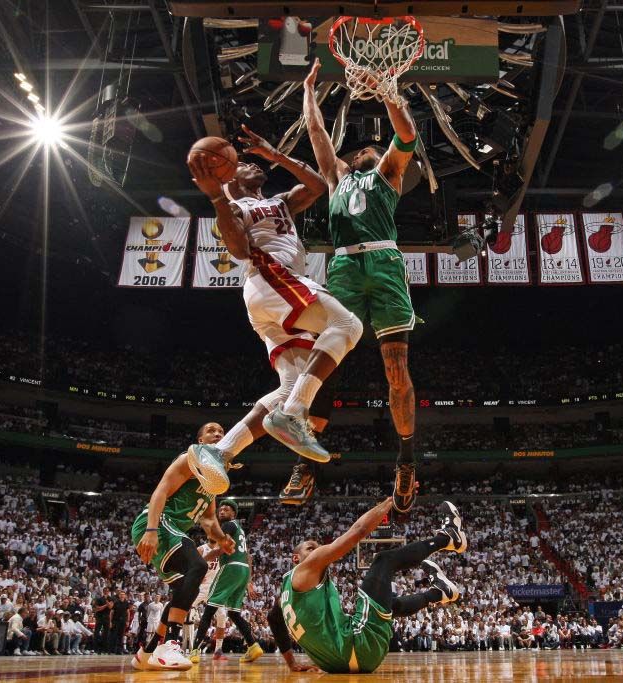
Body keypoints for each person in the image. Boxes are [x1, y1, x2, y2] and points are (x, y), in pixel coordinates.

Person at [186, 124, 363, 496]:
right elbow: (237, 249)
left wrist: (275, 154)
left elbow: (317, 185)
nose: (250, 163)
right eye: (243, 163)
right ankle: (295, 413)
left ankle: (219, 451)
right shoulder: (234, 205)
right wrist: (217, 198)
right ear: (228, 173)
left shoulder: (280, 201)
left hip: (272, 298)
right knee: (347, 324)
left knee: (288, 386)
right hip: (272, 279)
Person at [293, 58, 421, 511]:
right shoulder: (335, 178)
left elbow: (405, 136)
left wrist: (387, 89)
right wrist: (309, 89)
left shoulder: (386, 174)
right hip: (344, 267)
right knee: (324, 359)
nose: (368, 148)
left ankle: (406, 462)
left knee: (396, 371)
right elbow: (316, 135)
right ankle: (306, 462)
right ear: (351, 158)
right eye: (362, 147)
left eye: (373, 146)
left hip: (384, 263)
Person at [267, 498, 465, 673]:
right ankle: (448, 538)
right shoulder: (305, 569)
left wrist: (291, 663)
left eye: (318, 548)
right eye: (311, 548)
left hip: (340, 664)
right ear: (295, 558)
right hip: (358, 646)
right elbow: (358, 531)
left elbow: (273, 620)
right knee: (383, 560)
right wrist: (390, 501)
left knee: (386, 606)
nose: (318, 551)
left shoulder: (284, 596)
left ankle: (439, 593)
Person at [130, 422, 235, 671]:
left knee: (183, 593)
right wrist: (152, 530)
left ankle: (147, 652)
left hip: (172, 531)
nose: (218, 433)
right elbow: (161, 492)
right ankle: (172, 644)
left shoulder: (214, 479)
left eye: (221, 431)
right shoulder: (188, 459)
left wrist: (221, 538)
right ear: (199, 441)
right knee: (198, 566)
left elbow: (208, 520)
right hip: (156, 521)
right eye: (211, 430)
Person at [191, 499, 263, 664]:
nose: (222, 511)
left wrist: (202, 560)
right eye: (221, 509)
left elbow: (222, 548)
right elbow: (247, 556)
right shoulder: (240, 530)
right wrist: (248, 581)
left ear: (234, 514)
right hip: (242, 570)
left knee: (209, 610)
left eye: (227, 509)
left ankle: (194, 650)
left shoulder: (229, 525)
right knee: (234, 613)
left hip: (231, 567)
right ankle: (253, 646)